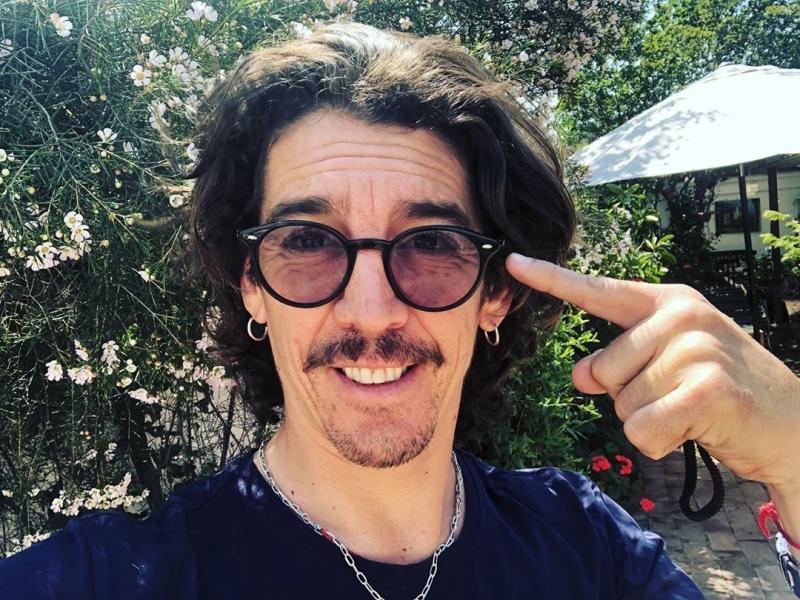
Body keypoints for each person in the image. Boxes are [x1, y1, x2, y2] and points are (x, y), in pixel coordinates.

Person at [2, 22, 799, 599]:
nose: (372, 309)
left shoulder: (588, 552)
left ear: (496, 292)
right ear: (251, 284)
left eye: (432, 243)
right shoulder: (109, 578)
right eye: (307, 240)